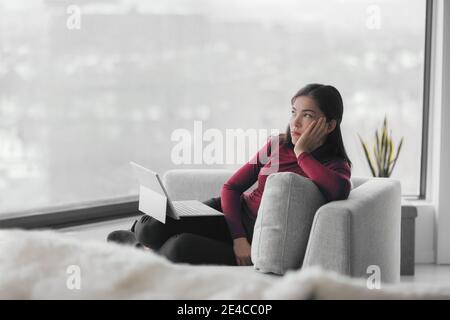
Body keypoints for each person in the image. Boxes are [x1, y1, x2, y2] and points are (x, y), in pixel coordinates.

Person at [107, 83, 353, 267]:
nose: (295, 122)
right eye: (293, 112)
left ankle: (142, 252)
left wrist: (302, 153)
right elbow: (232, 188)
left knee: (180, 247)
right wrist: (237, 238)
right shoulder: (277, 146)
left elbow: (339, 190)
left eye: (307, 115)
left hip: (258, 239)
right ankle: (140, 240)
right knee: (152, 226)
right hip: (230, 215)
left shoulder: (335, 166)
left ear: (330, 125)